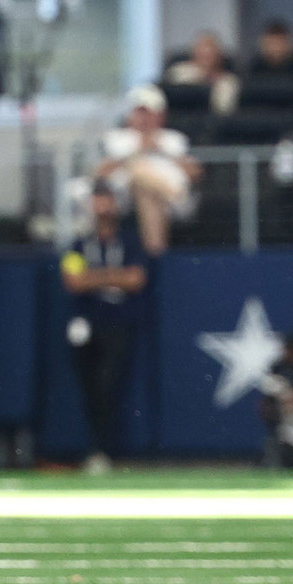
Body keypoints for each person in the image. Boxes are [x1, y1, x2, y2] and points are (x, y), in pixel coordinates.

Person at [60, 180, 149, 474]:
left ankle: (106, 451)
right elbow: (73, 280)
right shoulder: (79, 244)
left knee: (110, 386)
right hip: (86, 325)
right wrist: (114, 276)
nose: (102, 207)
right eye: (97, 200)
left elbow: (136, 279)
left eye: (107, 200)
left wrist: (94, 277)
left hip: (118, 324)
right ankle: (95, 449)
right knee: (90, 389)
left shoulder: (129, 241)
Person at [97, 84, 202, 255]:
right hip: (124, 198)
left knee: (147, 193)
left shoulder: (174, 139)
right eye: (139, 112)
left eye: (148, 112)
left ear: (160, 115)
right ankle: (157, 255)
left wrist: (162, 150)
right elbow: (100, 173)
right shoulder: (117, 139)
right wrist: (136, 151)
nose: (144, 118)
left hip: (174, 203)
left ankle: (155, 257)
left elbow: (195, 172)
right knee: (139, 176)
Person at [259, 335, 293, 469]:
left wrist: (292, 396)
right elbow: (267, 407)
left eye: (291, 351)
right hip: (291, 427)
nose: (287, 354)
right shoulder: (279, 370)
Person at [164, 31, 239, 114]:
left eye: (210, 56)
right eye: (203, 55)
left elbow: (224, 110)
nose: (206, 60)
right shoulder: (179, 71)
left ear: (219, 57)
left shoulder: (228, 81)